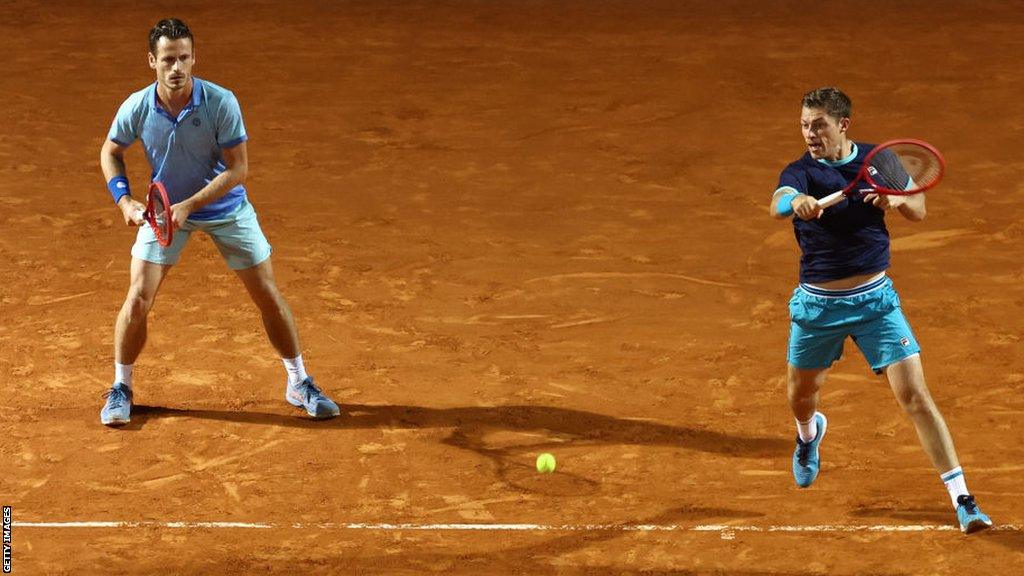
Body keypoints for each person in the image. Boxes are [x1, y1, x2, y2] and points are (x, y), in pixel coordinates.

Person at [769, 87, 992, 534]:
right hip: (819, 306)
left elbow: (919, 208)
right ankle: (809, 435)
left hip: (876, 302)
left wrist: (897, 200)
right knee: (800, 396)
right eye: (804, 125)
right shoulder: (801, 172)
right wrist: (796, 202)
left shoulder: (880, 161)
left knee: (915, 397)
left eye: (819, 125)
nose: (810, 133)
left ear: (843, 125)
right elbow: (777, 201)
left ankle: (963, 499)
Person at [99, 18, 340, 425]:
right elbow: (111, 151)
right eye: (168, 60)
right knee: (138, 296)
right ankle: (121, 388)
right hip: (165, 214)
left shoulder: (220, 102)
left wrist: (190, 205)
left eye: (184, 58)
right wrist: (123, 200)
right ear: (151, 61)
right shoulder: (137, 106)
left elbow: (238, 169)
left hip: (225, 208)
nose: (177, 68)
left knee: (266, 292)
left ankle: (299, 381)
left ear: (194, 58)